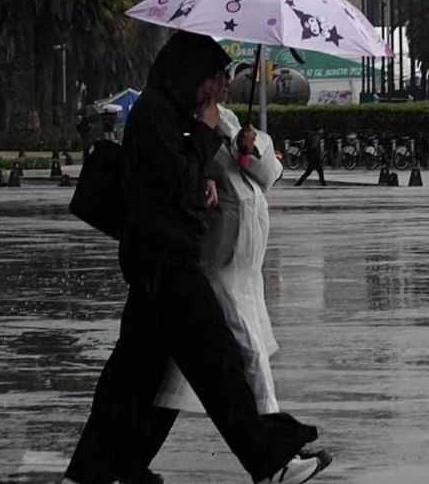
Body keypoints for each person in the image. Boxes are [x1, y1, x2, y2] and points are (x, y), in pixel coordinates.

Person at [63, 32, 329, 484]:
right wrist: (204, 138)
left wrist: (206, 164)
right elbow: (174, 180)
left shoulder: (172, 113)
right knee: (219, 367)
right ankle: (269, 464)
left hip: (163, 262)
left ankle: (94, 471)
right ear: (193, 76)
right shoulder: (155, 114)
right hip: (168, 265)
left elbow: (183, 180)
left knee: (136, 379)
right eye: (217, 78)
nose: (223, 88)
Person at [156, 92, 285, 418]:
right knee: (250, 348)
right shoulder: (183, 125)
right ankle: (271, 430)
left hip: (246, 266)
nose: (223, 85)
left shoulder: (230, 123)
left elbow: (268, 175)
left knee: (176, 370)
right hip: (219, 261)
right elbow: (177, 176)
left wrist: (250, 148)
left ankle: (137, 447)